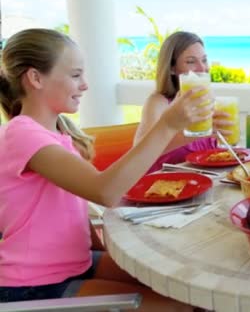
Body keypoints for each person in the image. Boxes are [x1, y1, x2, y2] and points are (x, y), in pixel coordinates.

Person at [0, 28, 209, 311]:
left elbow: (72, 209)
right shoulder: (21, 133)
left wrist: (105, 251)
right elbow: (105, 191)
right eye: (75, 75)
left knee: (191, 288)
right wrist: (168, 124)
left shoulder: (56, 134)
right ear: (35, 78)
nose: (85, 85)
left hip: (77, 263)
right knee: (180, 307)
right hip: (35, 285)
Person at [135, 31, 232, 172]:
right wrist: (199, 132)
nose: (202, 68)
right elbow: (140, 153)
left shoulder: (205, 100)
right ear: (172, 68)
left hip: (206, 181)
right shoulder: (158, 102)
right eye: (191, 61)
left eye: (204, 60)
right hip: (164, 186)